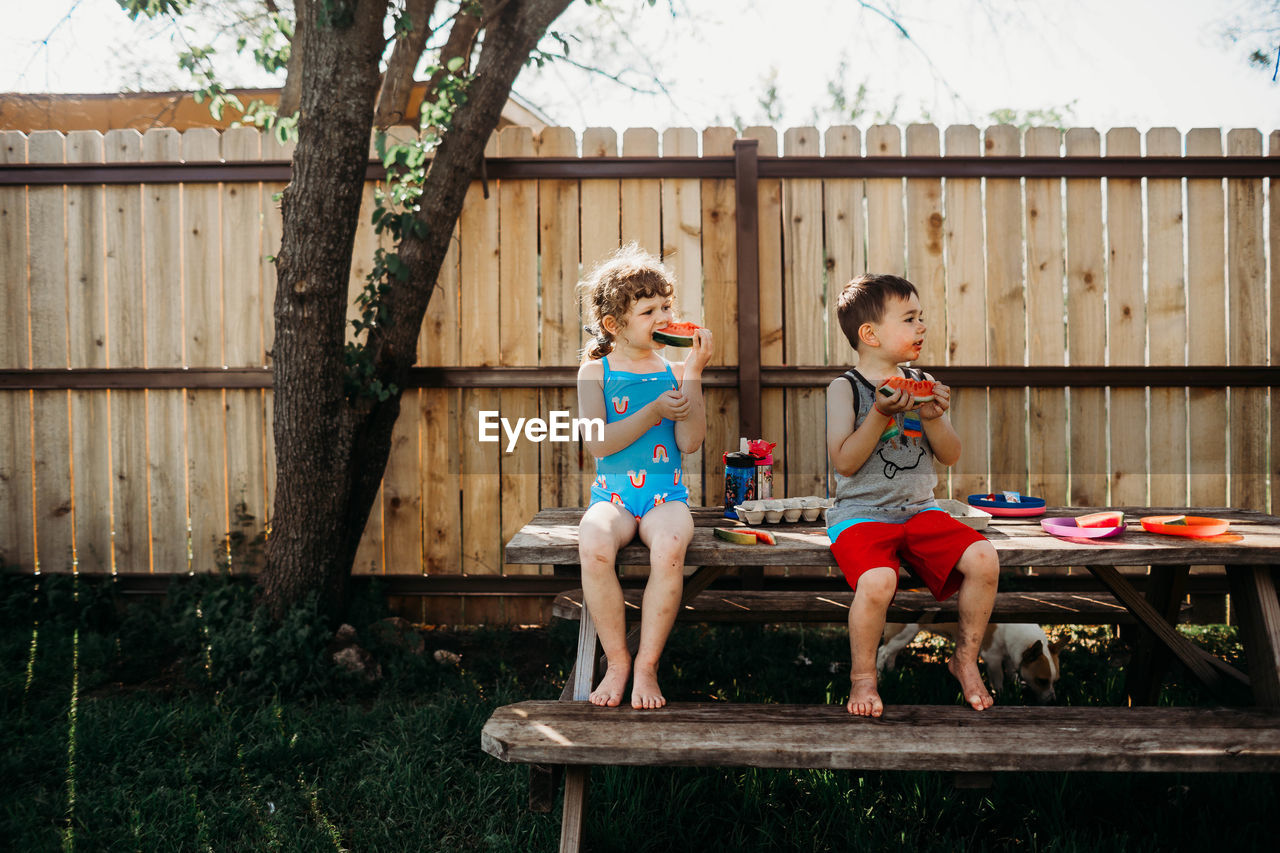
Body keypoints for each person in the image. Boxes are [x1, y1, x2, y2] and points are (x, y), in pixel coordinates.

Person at [826, 273, 999, 717]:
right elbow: (844, 462)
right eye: (909, 318)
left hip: (920, 511)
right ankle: (864, 678)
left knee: (984, 559)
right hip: (861, 513)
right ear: (870, 334)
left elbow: (950, 455)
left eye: (921, 317)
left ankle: (964, 658)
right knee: (878, 581)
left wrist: (936, 417)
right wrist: (880, 415)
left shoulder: (921, 380)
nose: (922, 326)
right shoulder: (845, 388)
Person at [576, 244, 713, 710]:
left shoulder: (675, 371)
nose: (664, 316)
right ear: (614, 325)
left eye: (667, 306)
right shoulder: (596, 372)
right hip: (613, 497)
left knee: (671, 546)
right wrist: (653, 410)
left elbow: (691, 441)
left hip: (665, 496)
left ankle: (648, 665)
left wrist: (693, 375)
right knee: (593, 543)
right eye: (649, 310)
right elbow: (598, 443)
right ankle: (618, 660)